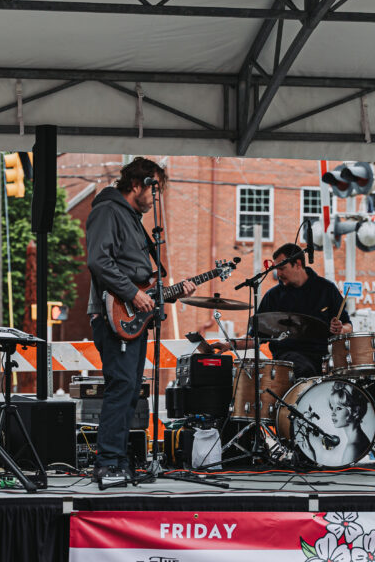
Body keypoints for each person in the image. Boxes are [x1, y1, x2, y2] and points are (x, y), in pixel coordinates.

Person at [86, 157, 195, 487]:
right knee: (121, 388)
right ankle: (108, 462)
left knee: (131, 390)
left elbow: (140, 280)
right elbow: (98, 260)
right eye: (154, 188)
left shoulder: (132, 219)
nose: (156, 197)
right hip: (115, 315)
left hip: (133, 317)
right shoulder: (108, 210)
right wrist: (132, 294)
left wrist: (169, 293)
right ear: (137, 184)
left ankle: (119, 461)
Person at [213, 243, 351, 379]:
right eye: (276, 269)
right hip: (287, 362)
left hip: (325, 359)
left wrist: (341, 329)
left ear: (298, 264)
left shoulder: (327, 289)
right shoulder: (273, 296)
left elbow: (348, 326)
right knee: (301, 367)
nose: (278, 274)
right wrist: (229, 345)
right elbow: (255, 337)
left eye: (282, 268)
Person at [328, 379, 372, 465]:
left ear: (355, 411)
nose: (332, 413)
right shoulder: (361, 440)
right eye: (332, 408)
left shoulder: (352, 448)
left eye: (338, 408)